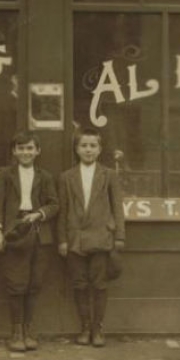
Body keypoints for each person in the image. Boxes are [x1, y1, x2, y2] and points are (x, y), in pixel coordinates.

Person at [57, 127, 125, 347]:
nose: (88, 150)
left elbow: (117, 208)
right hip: (75, 238)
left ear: (100, 149)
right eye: (83, 146)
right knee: (79, 284)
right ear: (76, 149)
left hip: (101, 237)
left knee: (99, 284)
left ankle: (98, 328)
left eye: (92, 146)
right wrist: (63, 240)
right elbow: (63, 211)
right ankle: (84, 327)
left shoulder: (109, 175)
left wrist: (119, 237)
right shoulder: (67, 177)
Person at [0, 131, 59, 352]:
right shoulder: (6, 175)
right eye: (20, 148)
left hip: (40, 233)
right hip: (15, 232)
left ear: (37, 151)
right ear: (14, 151)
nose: (25, 152)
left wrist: (39, 214)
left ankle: (29, 330)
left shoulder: (46, 176)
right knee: (16, 283)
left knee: (34, 283)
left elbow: (54, 204)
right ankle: (16, 332)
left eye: (30, 148)